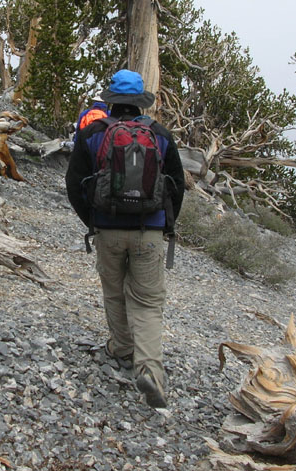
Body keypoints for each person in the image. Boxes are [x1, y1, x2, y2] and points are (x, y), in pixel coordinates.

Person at [65, 69, 184, 408]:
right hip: (149, 229)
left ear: (112, 100)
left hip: (108, 228)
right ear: (140, 102)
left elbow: (74, 185)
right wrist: (166, 223)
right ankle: (150, 370)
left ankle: (121, 348)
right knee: (147, 301)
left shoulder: (92, 134)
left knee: (114, 293)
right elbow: (177, 184)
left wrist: (92, 220)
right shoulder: (160, 135)